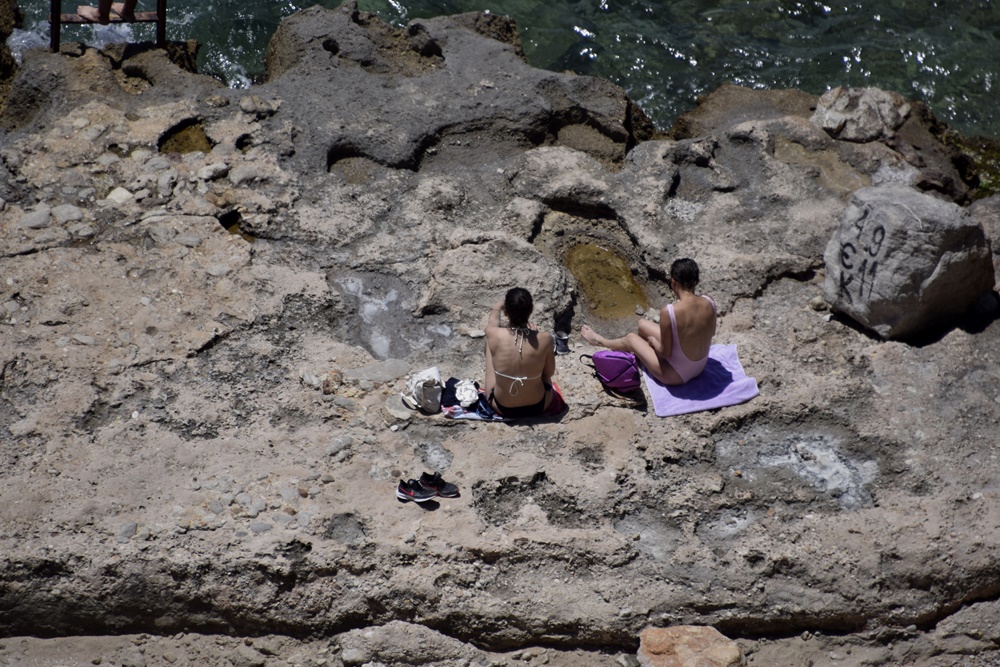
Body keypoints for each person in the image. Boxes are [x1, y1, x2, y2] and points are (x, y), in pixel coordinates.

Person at [581, 258, 717, 385]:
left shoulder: (670, 311)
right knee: (642, 325)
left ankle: (600, 341)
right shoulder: (709, 302)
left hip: (677, 375)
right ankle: (642, 355)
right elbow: (709, 333)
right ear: (696, 281)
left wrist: (653, 342)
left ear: (673, 282)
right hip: (700, 366)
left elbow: (665, 353)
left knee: (631, 338)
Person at [484, 288, 565, 419]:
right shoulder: (545, 338)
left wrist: (496, 308)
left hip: (502, 408)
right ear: (531, 310)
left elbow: (492, 323)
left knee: (490, 344)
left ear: (506, 313)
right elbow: (549, 374)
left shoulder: (493, 334)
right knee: (540, 361)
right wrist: (535, 337)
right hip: (539, 405)